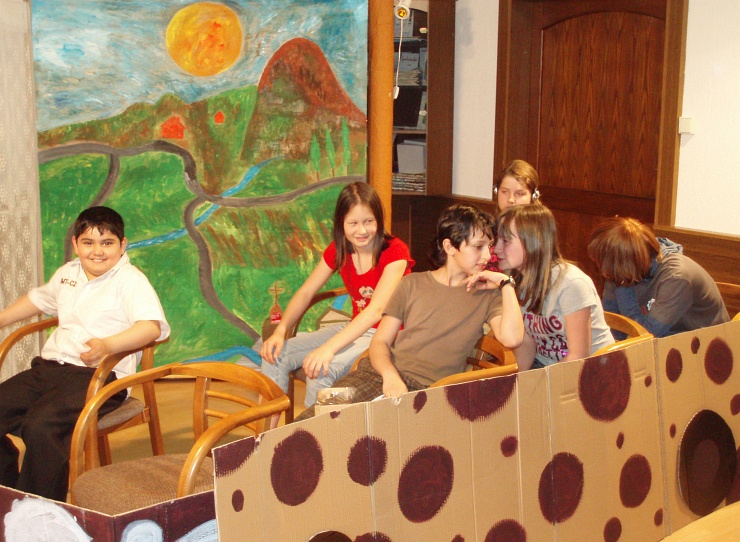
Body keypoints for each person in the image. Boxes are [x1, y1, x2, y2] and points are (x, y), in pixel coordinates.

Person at [0, 206, 170, 501]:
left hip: (100, 378)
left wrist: (108, 345)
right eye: (88, 243)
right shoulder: (68, 274)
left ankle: (36, 510)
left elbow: (151, 328)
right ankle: (7, 489)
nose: (98, 252)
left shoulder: (130, 280)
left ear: (122, 245)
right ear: (76, 244)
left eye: (107, 243)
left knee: (41, 425)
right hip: (50, 369)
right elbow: (38, 300)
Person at [295, 203, 523, 420]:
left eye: (489, 247)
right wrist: (390, 376)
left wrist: (506, 283)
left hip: (426, 393)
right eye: (478, 247)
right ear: (449, 247)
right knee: (313, 423)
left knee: (362, 437)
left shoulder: (486, 294)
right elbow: (380, 342)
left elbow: (512, 339)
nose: (487, 256)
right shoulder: (412, 284)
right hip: (377, 375)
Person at [259, 182, 414, 411]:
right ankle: (270, 430)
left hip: (387, 336)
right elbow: (306, 292)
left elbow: (376, 311)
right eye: (353, 223)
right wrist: (280, 331)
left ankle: (314, 431)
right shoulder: (340, 248)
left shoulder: (395, 251)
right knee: (276, 353)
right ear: (341, 223)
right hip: (356, 328)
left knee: (321, 369)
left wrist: (328, 349)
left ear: (379, 221)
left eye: (368, 221)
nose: (361, 231)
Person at [493, 204, 613, 370]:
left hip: (592, 369)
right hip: (548, 366)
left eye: (506, 241)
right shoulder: (516, 280)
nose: (496, 249)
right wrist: (517, 379)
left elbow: (578, 356)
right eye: (497, 240)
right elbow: (527, 342)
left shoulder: (571, 284)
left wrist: (541, 381)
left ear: (532, 242)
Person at [587, 216, 729, 338]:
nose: (603, 272)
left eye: (604, 264)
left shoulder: (676, 277)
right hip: (670, 343)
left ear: (623, 264)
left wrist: (623, 286)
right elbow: (611, 325)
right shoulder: (622, 270)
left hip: (708, 348)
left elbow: (645, 336)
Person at [486, 159, 542, 271]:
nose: (511, 199)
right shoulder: (486, 227)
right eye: (504, 192)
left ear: (533, 196)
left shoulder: (540, 232)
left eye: (519, 194)